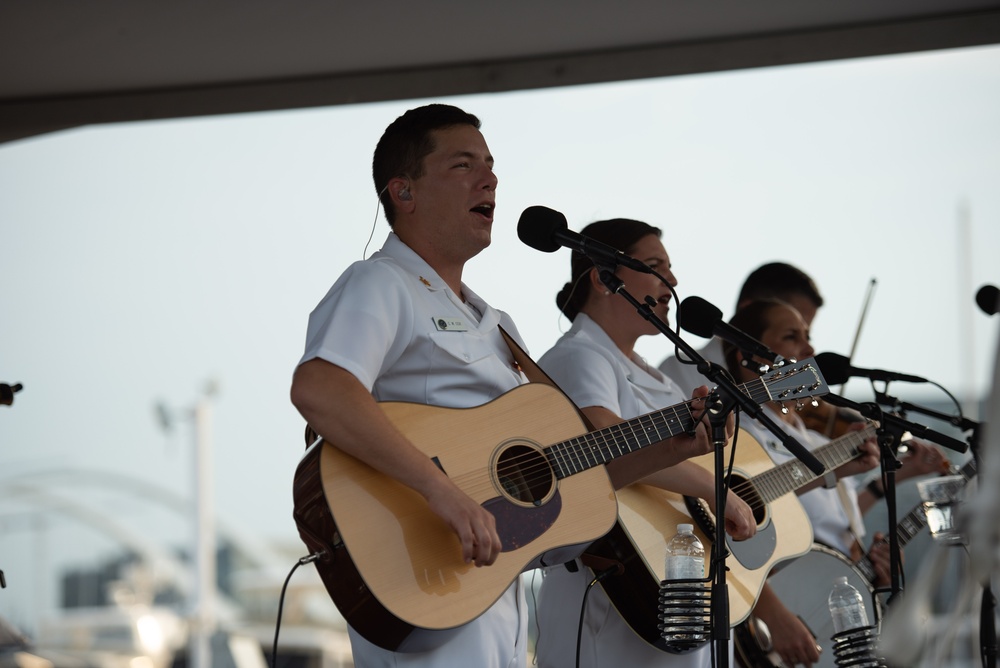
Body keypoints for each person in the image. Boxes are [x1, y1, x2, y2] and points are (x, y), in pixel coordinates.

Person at [289, 107, 725, 667]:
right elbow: (321, 388)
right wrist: (440, 489)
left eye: (491, 166)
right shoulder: (381, 283)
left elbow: (576, 471)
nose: (489, 180)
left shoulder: (498, 327)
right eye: (463, 165)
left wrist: (672, 448)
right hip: (418, 571)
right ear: (404, 192)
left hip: (491, 587)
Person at [532, 218, 757, 668]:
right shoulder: (580, 355)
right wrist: (716, 490)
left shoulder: (651, 374)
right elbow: (604, 445)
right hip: (612, 594)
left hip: (667, 585)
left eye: (670, 268)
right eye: (654, 266)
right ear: (602, 278)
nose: (671, 281)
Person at [722, 299, 947, 666]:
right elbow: (729, 529)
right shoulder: (737, 436)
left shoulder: (812, 440)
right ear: (749, 355)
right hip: (771, 616)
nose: (810, 350)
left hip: (831, 605)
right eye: (792, 337)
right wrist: (775, 614)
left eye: (809, 337)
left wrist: (872, 565)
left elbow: (833, 523)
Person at [659, 262, 824, 397]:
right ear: (749, 310)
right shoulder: (681, 368)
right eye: (790, 334)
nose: (808, 349)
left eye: (807, 334)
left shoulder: (796, 393)